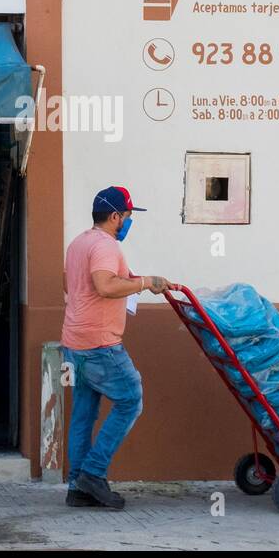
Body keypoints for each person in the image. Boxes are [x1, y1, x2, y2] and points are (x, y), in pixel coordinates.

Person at [61, 186, 172, 509]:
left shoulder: (79, 243)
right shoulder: (106, 246)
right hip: (100, 345)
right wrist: (144, 282)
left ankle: (77, 489)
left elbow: (72, 284)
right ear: (114, 216)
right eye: (126, 216)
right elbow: (105, 285)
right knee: (131, 399)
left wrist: (132, 280)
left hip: (75, 342)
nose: (127, 222)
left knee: (83, 414)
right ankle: (93, 474)